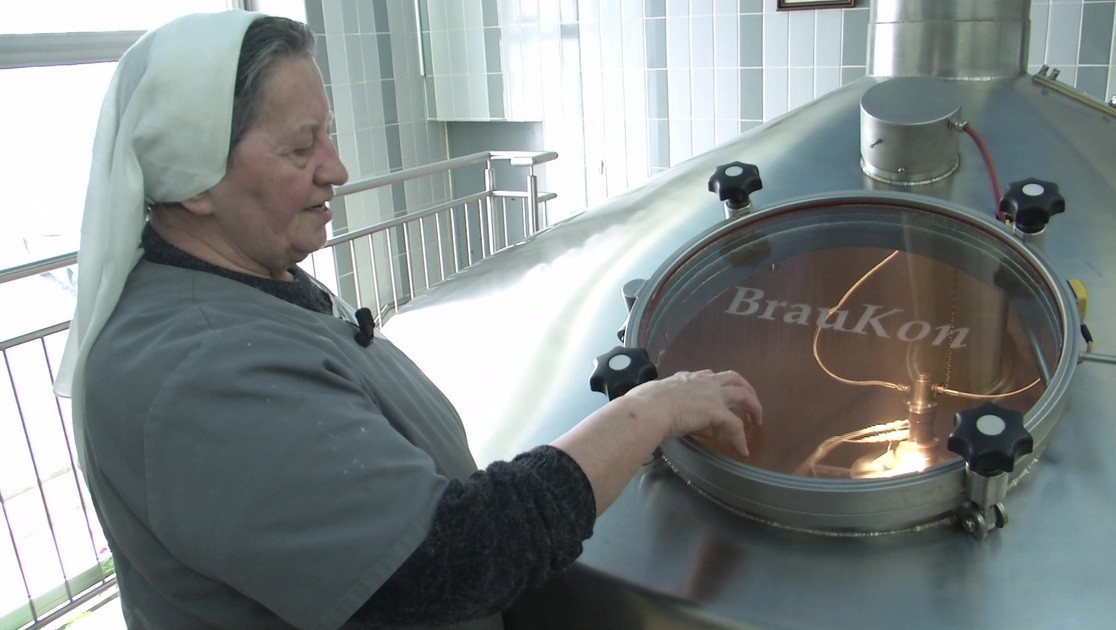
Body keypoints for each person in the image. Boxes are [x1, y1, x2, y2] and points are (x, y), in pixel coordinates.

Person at [54, 10, 761, 629]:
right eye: (301, 149)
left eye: (327, 134)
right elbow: (450, 558)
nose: (337, 168)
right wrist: (651, 411)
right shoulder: (194, 374)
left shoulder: (249, 277)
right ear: (194, 180)